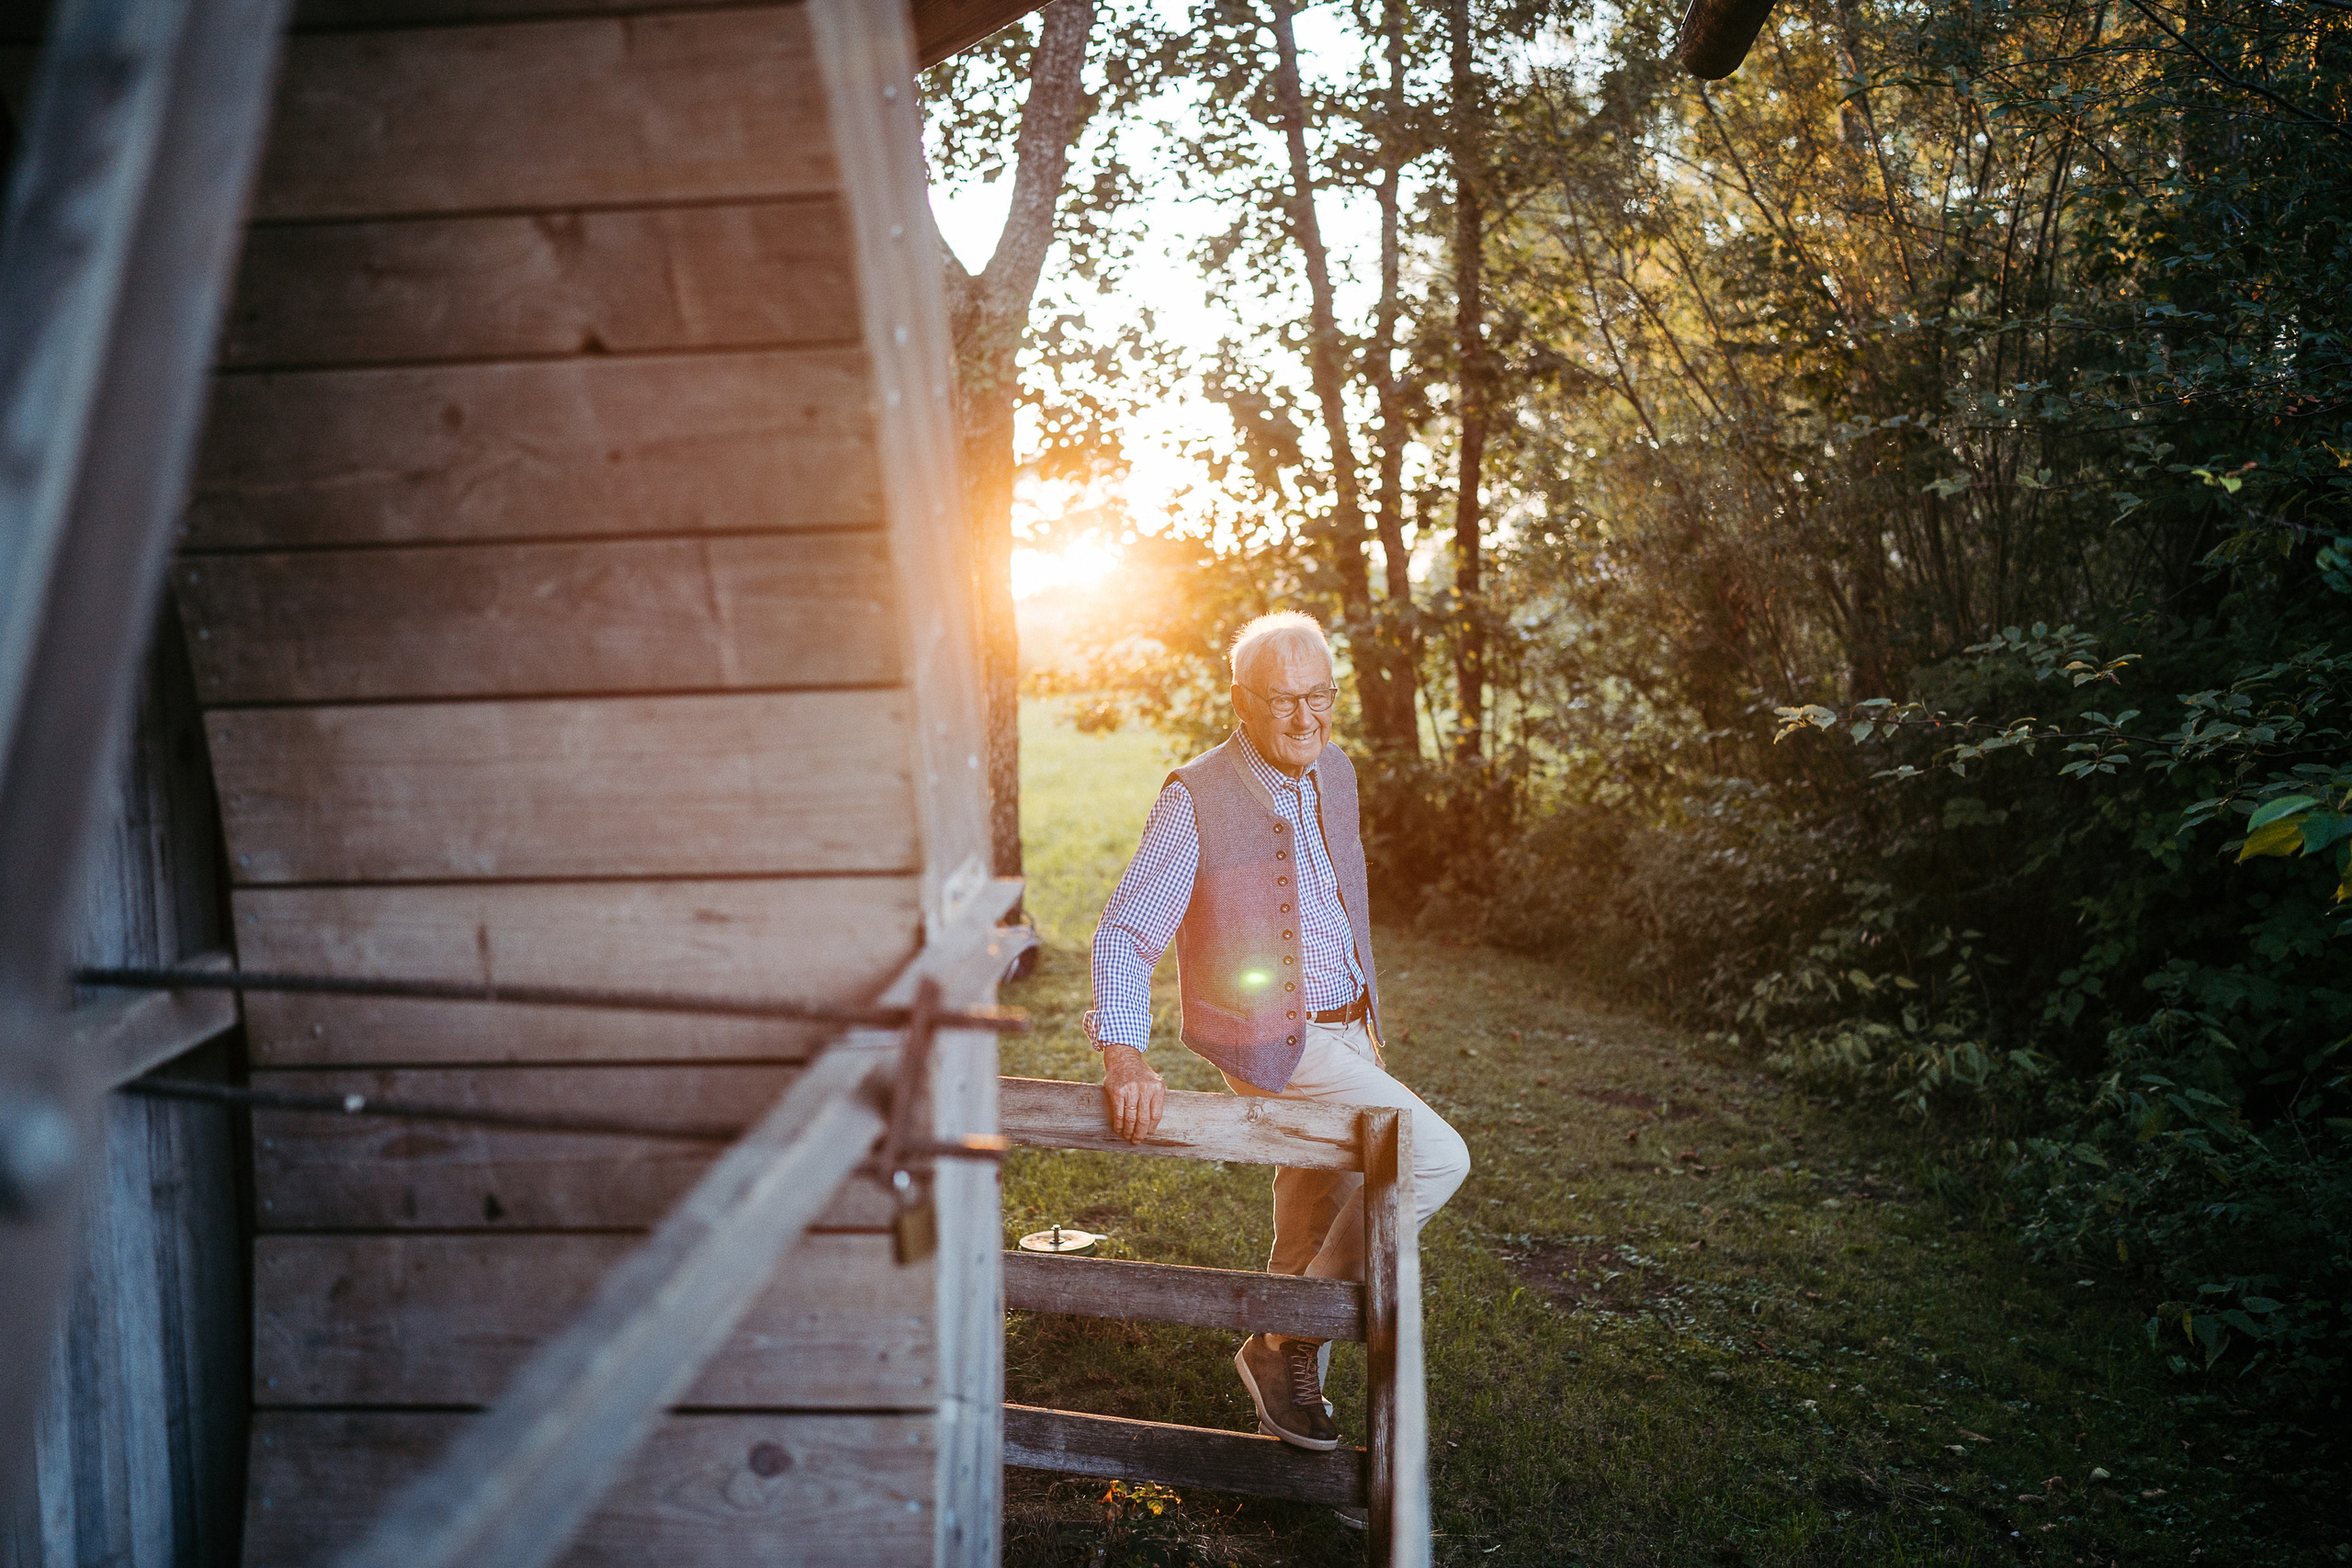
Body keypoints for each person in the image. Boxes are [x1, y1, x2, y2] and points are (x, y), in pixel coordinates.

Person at [1085, 610, 1472, 1453]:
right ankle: (1285, 1340)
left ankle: (1289, 1418)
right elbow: (1125, 931)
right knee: (1435, 1154)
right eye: (1283, 699)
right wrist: (1124, 1055)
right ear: (1241, 700)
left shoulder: (1336, 771)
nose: (1306, 718)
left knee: (1310, 1220)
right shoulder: (1197, 797)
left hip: (1349, 1034)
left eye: (1319, 696)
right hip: (1275, 1045)